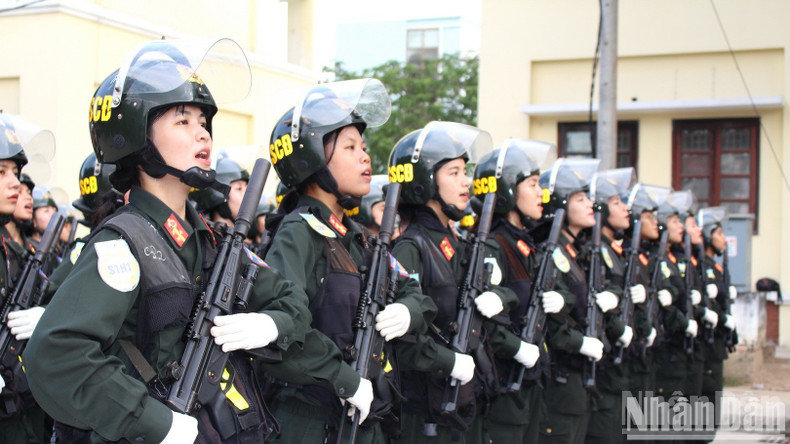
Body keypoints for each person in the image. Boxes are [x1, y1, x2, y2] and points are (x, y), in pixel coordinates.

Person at [24, 38, 310, 443]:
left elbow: (292, 301)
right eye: (182, 121)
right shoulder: (123, 243)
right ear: (137, 137)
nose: (203, 135)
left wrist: (270, 323)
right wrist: (153, 421)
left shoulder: (212, 241)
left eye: (203, 122)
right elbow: (56, 354)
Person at [262, 79, 433, 443]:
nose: (365, 156)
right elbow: (285, 329)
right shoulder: (299, 231)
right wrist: (343, 378)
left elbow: (413, 289)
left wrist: (408, 311)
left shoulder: (357, 237)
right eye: (350, 146)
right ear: (311, 157)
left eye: (364, 146)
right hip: (309, 419)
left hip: (364, 414)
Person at [388, 121, 517, 443]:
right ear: (425, 182)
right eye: (454, 172)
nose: (466, 181)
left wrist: (501, 296)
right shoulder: (411, 246)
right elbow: (399, 340)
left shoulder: (455, 243)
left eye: (465, 171)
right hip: (427, 409)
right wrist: (448, 361)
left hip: (463, 400)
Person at [471, 139, 551, 443]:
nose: (540, 192)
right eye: (532, 184)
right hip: (504, 384)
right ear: (506, 190)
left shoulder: (524, 244)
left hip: (529, 382)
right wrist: (516, 347)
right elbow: (486, 321)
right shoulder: (494, 245)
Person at [533, 158, 602, 444]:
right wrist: (579, 342)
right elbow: (552, 316)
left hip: (578, 373)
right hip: (561, 371)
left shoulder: (572, 249)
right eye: (580, 198)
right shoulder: (552, 249)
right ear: (561, 203)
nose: (590, 205)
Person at [0, 114, 55, 443]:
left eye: (15, 173)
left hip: (21, 407)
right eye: (1, 172)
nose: (15, 184)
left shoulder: (11, 250)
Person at [583, 168, 639, 444]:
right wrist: (619, 329)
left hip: (616, 358)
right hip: (602, 360)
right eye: (617, 202)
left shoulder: (609, 249)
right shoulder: (594, 249)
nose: (626, 208)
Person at [698, 206, 737, 442]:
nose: (724, 239)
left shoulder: (718, 266)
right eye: (719, 233)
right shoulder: (704, 266)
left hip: (718, 344)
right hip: (708, 345)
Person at [189, 152, 249, 227]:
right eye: (239, 189)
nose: (248, 195)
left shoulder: (241, 237)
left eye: (247, 188)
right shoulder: (207, 238)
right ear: (218, 195)